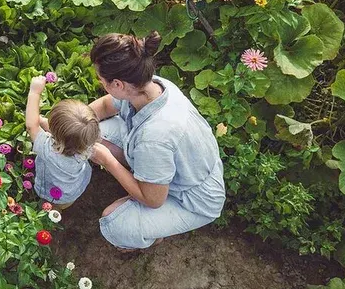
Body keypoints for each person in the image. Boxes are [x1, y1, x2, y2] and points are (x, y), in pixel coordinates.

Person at [87, 31, 225, 251]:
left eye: (101, 80)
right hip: (180, 164)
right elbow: (104, 106)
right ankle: (145, 181)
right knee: (93, 133)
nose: (100, 83)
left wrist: (108, 161)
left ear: (118, 85)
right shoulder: (150, 86)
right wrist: (76, 121)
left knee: (115, 223)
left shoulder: (155, 137)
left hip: (193, 199)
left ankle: (152, 235)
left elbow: (153, 200)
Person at [26, 76, 101, 209]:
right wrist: (42, 122)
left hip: (53, 192)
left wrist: (34, 92)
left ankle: (53, 212)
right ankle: (62, 208)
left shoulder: (48, 151)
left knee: (51, 206)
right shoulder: (87, 143)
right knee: (65, 203)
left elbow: (31, 126)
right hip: (74, 189)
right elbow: (67, 136)